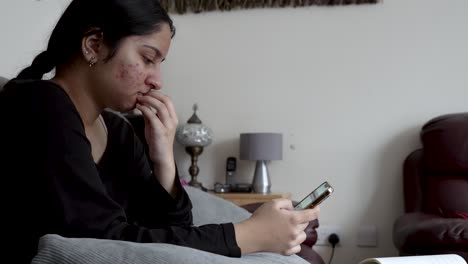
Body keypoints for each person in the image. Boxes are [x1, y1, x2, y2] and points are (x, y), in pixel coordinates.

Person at [0, 0, 319, 263]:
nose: (157, 80)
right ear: (94, 45)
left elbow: (171, 234)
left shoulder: (117, 131)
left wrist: (164, 155)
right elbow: (101, 240)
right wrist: (249, 235)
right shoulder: (39, 105)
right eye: (147, 58)